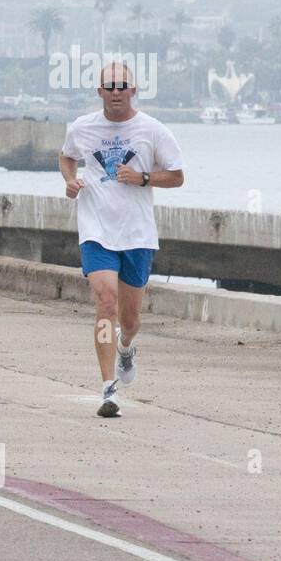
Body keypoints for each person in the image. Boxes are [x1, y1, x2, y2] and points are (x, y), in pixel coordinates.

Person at [60, 62, 185, 419]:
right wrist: (70, 181)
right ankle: (107, 387)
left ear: (133, 90)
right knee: (105, 301)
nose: (116, 92)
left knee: (128, 320)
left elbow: (177, 177)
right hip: (96, 229)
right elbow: (66, 156)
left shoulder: (152, 130)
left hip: (137, 233)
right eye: (109, 86)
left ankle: (126, 346)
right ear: (99, 92)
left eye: (122, 86)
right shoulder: (82, 127)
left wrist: (142, 177)